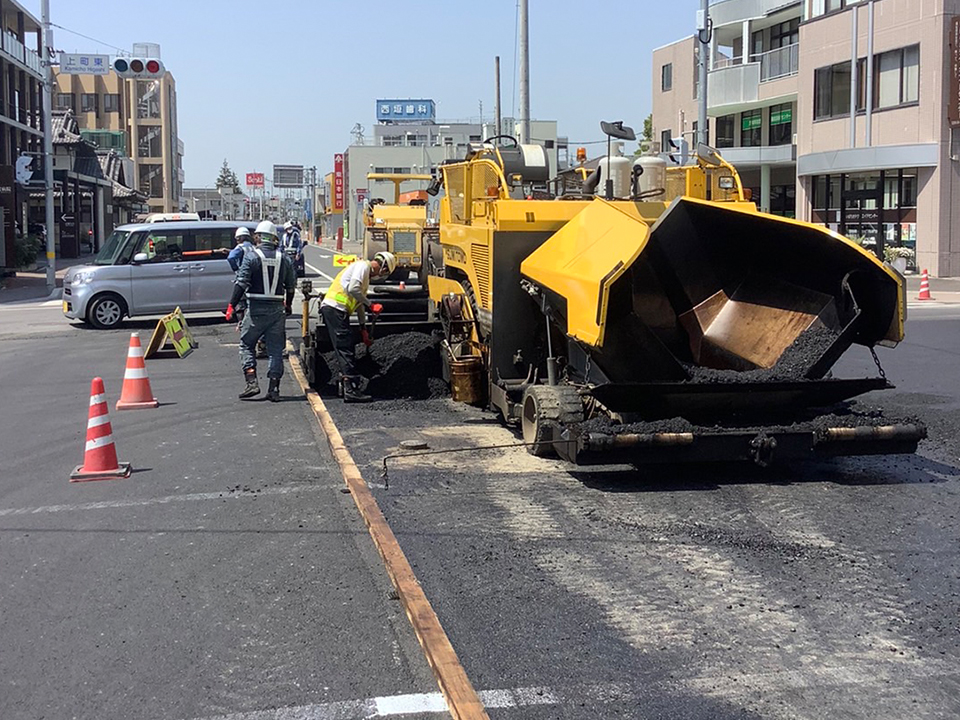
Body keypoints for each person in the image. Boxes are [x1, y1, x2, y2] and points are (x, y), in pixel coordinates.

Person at [225, 220, 296, 402]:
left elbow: (241, 283)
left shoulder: (251, 257)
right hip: (277, 309)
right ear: (274, 238)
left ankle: (251, 382)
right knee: (275, 350)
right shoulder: (285, 258)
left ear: (258, 237)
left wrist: (232, 305)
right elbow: (290, 286)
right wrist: (288, 304)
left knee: (247, 344)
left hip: (256, 308)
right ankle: (274, 389)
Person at [319, 251, 396, 403]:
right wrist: (371, 304)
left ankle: (346, 385)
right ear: (383, 268)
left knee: (345, 345)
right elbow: (353, 290)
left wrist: (363, 329)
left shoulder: (365, 276)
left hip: (339, 311)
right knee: (345, 347)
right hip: (335, 308)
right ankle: (351, 389)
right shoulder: (363, 266)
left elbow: (358, 304)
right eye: (385, 273)